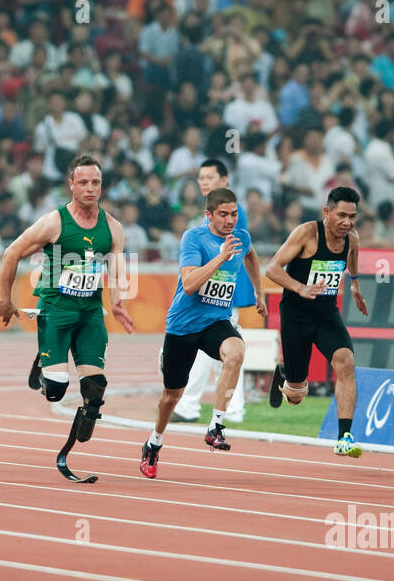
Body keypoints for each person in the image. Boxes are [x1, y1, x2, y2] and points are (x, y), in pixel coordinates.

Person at [0, 154, 135, 483]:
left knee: (95, 387)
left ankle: (77, 435)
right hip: (55, 311)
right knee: (55, 392)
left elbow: (116, 265)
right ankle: (44, 365)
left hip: (88, 314)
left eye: (95, 182)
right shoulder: (54, 222)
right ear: (71, 185)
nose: (90, 188)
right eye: (83, 182)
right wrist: (5, 301)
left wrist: (117, 302)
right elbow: (12, 252)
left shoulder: (112, 227)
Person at [139, 187, 254, 478]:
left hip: (216, 321)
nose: (230, 220)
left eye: (234, 214)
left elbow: (251, 256)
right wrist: (221, 257)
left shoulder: (241, 237)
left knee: (237, 353)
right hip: (184, 325)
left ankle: (216, 426)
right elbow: (189, 284)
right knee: (171, 396)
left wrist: (259, 293)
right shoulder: (194, 238)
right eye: (223, 215)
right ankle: (154, 441)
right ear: (209, 215)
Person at [264, 186, 369, 457]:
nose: (347, 222)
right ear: (327, 212)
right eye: (342, 215)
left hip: (326, 314)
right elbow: (272, 268)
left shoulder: (352, 239)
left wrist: (355, 286)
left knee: (345, 360)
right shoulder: (306, 233)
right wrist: (300, 287)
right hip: (296, 317)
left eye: (353, 217)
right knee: (297, 396)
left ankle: (344, 436)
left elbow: (352, 261)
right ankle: (286, 376)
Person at [171, 159, 265, 424]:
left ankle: (216, 407)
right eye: (200, 177)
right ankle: (204, 405)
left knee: (226, 353)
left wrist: (255, 292)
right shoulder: (209, 216)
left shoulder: (231, 213)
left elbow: (244, 253)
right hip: (212, 294)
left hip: (224, 295)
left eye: (209, 177)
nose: (203, 182)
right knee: (217, 353)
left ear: (224, 181)